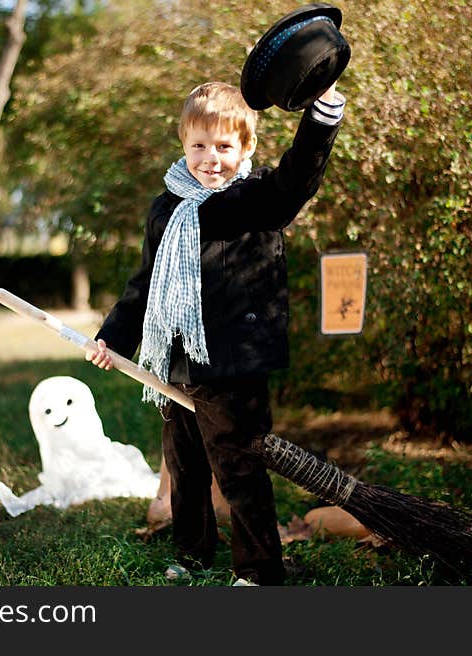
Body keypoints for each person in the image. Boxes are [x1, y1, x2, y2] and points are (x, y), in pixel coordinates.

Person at [86, 80, 345, 585]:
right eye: (199, 145)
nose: (210, 158)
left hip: (234, 365)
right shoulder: (166, 208)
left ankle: (259, 570)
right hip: (175, 360)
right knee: (184, 467)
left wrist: (322, 116)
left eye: (224, 146)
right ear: (183, 143)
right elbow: (143, 283)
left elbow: (296, 179)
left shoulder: (255, 200)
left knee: (240, 468)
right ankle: (194, 554)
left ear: (245, 147)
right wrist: (112, 338)